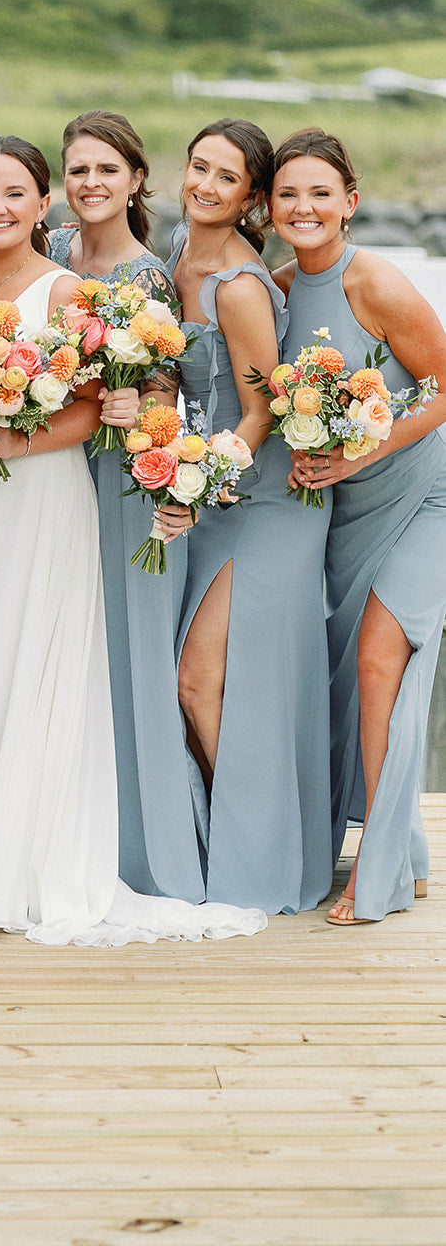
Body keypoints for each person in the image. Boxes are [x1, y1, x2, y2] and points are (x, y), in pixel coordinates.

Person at [0, 135, 266, 946]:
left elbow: (103, 402)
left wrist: (19, 442)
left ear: (43, 206)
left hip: (39, 498)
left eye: (14, 195)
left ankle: (21, 861)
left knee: (27, 657)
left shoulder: (67, 288)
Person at [271, 128, 446, 925]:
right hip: (344, 512)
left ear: (348, 200)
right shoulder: (272, 290)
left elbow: (441, 385)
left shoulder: (370, 280)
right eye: (286, 193)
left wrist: (360, 450)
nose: (302, 207)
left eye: (319, 192)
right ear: (268, 206)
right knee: (352, 684)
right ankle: (403, 846)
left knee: (382, 668)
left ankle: (369, 874)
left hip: (424, 498)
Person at [166, 118, 333, 915]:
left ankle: (257, 857)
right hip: (205, 497)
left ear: (252, 199)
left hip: (259, 497)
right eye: (197, 167)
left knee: (199, 681)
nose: (203, 185)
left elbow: (264, 408)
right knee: (197, 685)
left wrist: (199, 477)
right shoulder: (172, 250)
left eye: (224, 178)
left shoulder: (236, 283)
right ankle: (215, 844)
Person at [50, 111, 203, 903]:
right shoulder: (49, 253)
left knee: (125, 653)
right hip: (49, 481)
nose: (90, 184)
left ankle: (143, 847)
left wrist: (139, 427)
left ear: (135, 180)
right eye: (78, 170)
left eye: (106, 170)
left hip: (118, 483)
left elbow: (163, 395)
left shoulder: (145, 278)